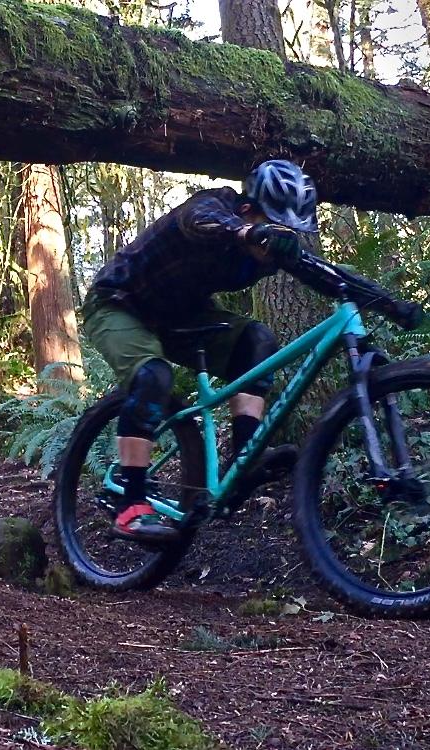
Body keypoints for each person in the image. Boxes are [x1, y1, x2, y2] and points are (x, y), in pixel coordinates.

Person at [80, 159, 322, 543]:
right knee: (152, 376)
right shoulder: (217, 207)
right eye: (274, 226)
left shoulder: (271, 252)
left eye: (288, 232)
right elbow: (198, 219)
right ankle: (130, 502)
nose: (278, 239)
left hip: (182, 316)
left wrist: (384, 303)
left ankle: (246, 456)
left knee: (258, 341)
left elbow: (323, 275)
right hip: (119, 303)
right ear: (248, 210)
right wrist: (246, 232)